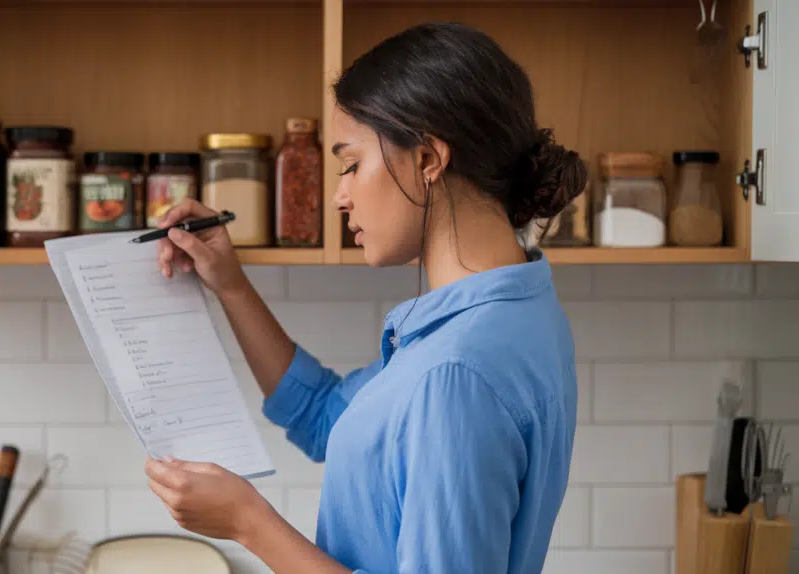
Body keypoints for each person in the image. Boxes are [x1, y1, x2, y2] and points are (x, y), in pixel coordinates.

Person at [144, 21, 584, 574]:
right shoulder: (514, 312)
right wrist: (229, 282)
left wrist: (247, 523)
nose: (339, 196)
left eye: (351, 164)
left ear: (427, 160)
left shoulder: (454, 372)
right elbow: (326, 415)